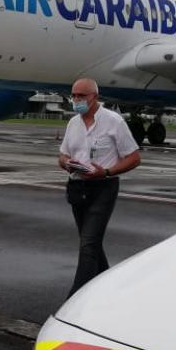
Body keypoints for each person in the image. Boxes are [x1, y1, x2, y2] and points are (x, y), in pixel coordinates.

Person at [58, 78, 141, 295]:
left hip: (103, 186)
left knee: (88, 244)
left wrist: (105, 172)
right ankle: (109, 287)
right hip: (77, 186)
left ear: (94, 97)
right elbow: (63, 154)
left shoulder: (114, 121)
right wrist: (66, 163)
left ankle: (75, 297)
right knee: (91, 243)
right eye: (74, 95)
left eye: (81, 96)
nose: (76, 100)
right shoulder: (73, 123)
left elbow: (133, 158)